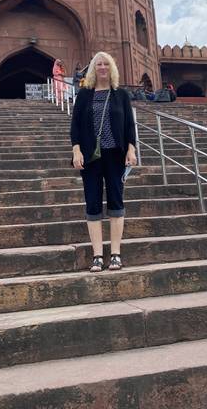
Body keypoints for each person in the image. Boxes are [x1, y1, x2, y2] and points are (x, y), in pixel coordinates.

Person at [70, 51, 137, 272]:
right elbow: (76, 125)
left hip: (115, 155)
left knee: (116, 201)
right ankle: (98, 255)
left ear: (112, 68)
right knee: (93, 203)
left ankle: (115, 253)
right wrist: (76, 150)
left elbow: (129, 125)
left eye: (106, 64)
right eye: (98, 64)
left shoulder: (120, 95)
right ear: (93, 69)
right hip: (91, 156)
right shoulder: (84, 95)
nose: (102, 68)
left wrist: (131, 148)